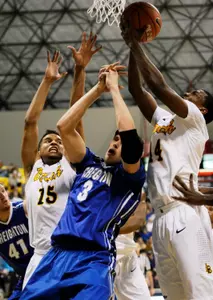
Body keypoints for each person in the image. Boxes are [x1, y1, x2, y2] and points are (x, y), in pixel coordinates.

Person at [19, 64, 145, 299]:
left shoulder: (129, 180)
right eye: (114, 139)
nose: (115, 142)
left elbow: (128, 137)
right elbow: (64, 126)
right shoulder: (89, 164)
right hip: (55, 255)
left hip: (92, 258)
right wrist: (98, 89)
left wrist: (115, 90)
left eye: (120, 143)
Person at [121, 20, 213, 300]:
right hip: (159, 219)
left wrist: (135, 43)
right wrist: (131, 48)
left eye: (194, 94)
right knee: (175, 296)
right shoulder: (165, 119)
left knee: (201, 292)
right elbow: (138, 90)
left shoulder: (195, 122)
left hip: (184, 212)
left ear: (203, 108)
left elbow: (157, 85)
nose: (187, 92)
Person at [22, 32, 101, 288]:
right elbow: (30, 122)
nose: (55, 141)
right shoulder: (31, 168)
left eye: (58, 140)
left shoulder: (71, 163)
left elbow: (74, 115)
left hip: (70, 253)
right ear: (38, 150)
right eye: (48, 141)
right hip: (39, 256)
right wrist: (46, 81)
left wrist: (80, 69)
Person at [114, 191, 152, 300]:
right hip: (101, 257)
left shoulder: (133, 184)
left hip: (127, 258)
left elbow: (138, 221)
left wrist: (105, 228)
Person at [0, 184, 33, 299]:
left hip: (42, 268)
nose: (3, 196)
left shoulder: (23, 208)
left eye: (3, 191)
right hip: (24, 276)